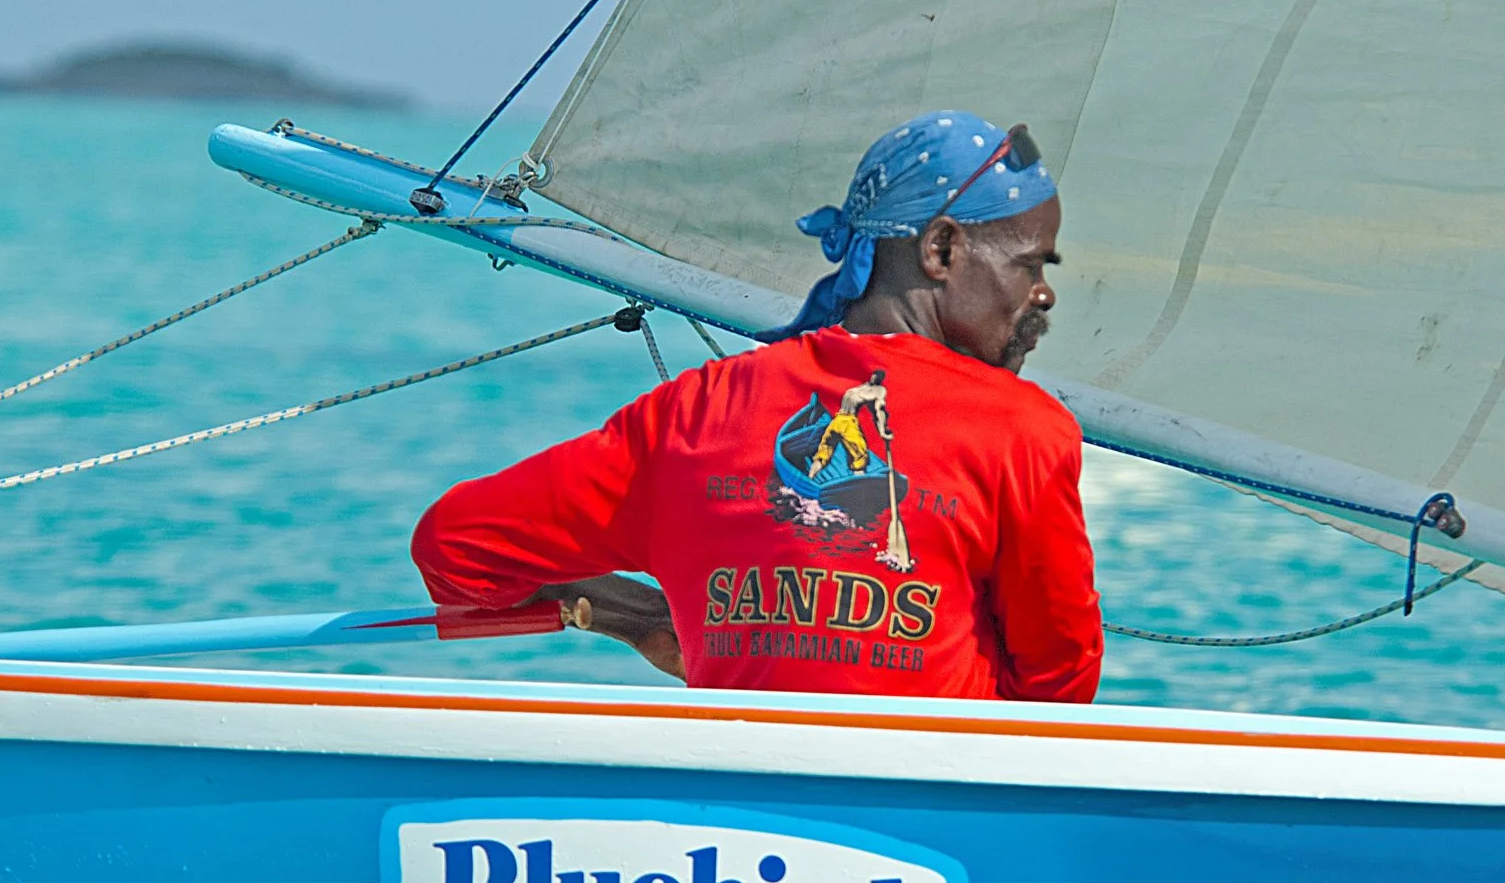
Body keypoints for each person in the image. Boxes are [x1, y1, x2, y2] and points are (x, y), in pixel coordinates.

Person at [409, 110, 1102, 702]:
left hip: (734, 835)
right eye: (1032, 263)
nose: (1042, 294)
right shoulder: (1024, 431)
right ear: (942, 248)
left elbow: (454, 548)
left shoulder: (693, 412)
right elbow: (1058, 688)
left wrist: (632, 617)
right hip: (923, 829)